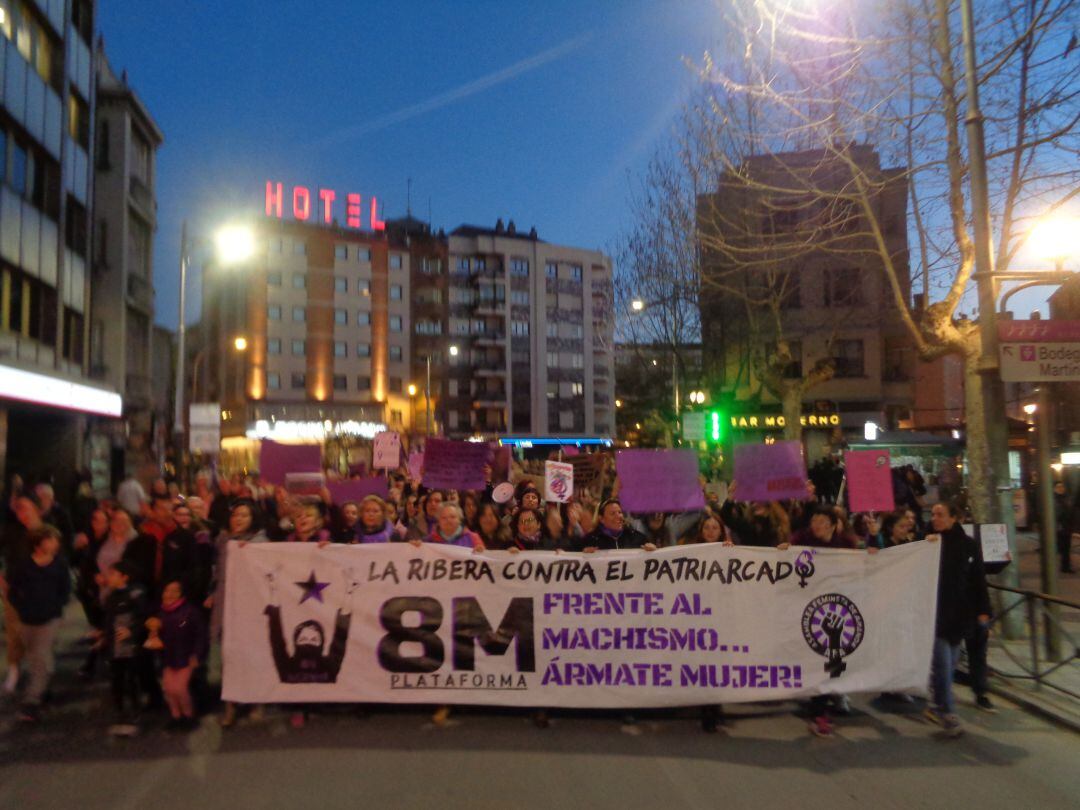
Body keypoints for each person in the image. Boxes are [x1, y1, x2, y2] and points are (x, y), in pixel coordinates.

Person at [925, 501, 991, 737]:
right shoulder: (929, 543)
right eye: (933, 514)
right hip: (935, 617)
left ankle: (935, 703)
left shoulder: (968, 546)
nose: (935, 518)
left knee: (950, 666)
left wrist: (984, 611)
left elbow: (978, 580)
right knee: (943, 667)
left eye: (940, 514)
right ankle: (948, 713)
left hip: (959, 618)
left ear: (954, 517)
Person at [207, 499, 268, 729]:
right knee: (228, 658)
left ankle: (254, 702)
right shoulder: (223, 541)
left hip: (250, 608)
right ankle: (230, 706)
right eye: (235, 515)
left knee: (253, 657)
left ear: (253, 518)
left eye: (244, 515)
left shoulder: (261, 543)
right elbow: (217, 570)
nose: (238, 519)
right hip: (226, 605)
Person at [7, 525, 70, 722]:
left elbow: (65, 589)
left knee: (39, 657)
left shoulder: (59, 564)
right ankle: (43, 689)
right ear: (39, 543)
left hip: (49, 619)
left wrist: (55, 606)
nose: (56, 543)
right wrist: (22, 608)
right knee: (36, 656)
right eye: (51, 539)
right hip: (28, 619)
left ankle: (31, 702)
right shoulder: (24, 566)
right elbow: (13, 590)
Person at [1, 493, 45, 694]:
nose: (22, 513)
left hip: (40, 591)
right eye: (18, 509)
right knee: (14, 632)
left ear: (37, 509)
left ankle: (39, 674)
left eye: (25, 508)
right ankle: (14, 668)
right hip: (13, 590)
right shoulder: (12, 531)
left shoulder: (46, 532)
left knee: (38, 634)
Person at [100, 559, 149, 737]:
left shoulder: (136, 594)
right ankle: (120, 711)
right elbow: (108, 621)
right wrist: (105, 638)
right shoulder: (111, 597)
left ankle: (136, 712)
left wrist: (132, 630)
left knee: (132, 679)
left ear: (124, 577)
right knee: (117, 680)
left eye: (113, 574)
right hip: (116, 647)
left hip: (131, 647)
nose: (109, 577)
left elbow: (143, 618)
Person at [157, 580, 207, 730]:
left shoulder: (190, 612)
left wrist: (197, 654)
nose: (169, 594)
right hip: (169, 658)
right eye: (167, 591)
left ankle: (188, 715)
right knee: (168, 689)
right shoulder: (161, 614)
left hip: (186, 658)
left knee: (180, 688)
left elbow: (200, 635)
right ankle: (176, 716)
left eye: (174, 591)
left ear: (181, 594)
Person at [575, 500, 652, 551]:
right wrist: (583, 555)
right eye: (612, 513)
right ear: (601, 519)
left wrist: (652, 551)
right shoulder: (589, 541)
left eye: (620, 512)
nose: (618, 516)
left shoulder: (637, 537)